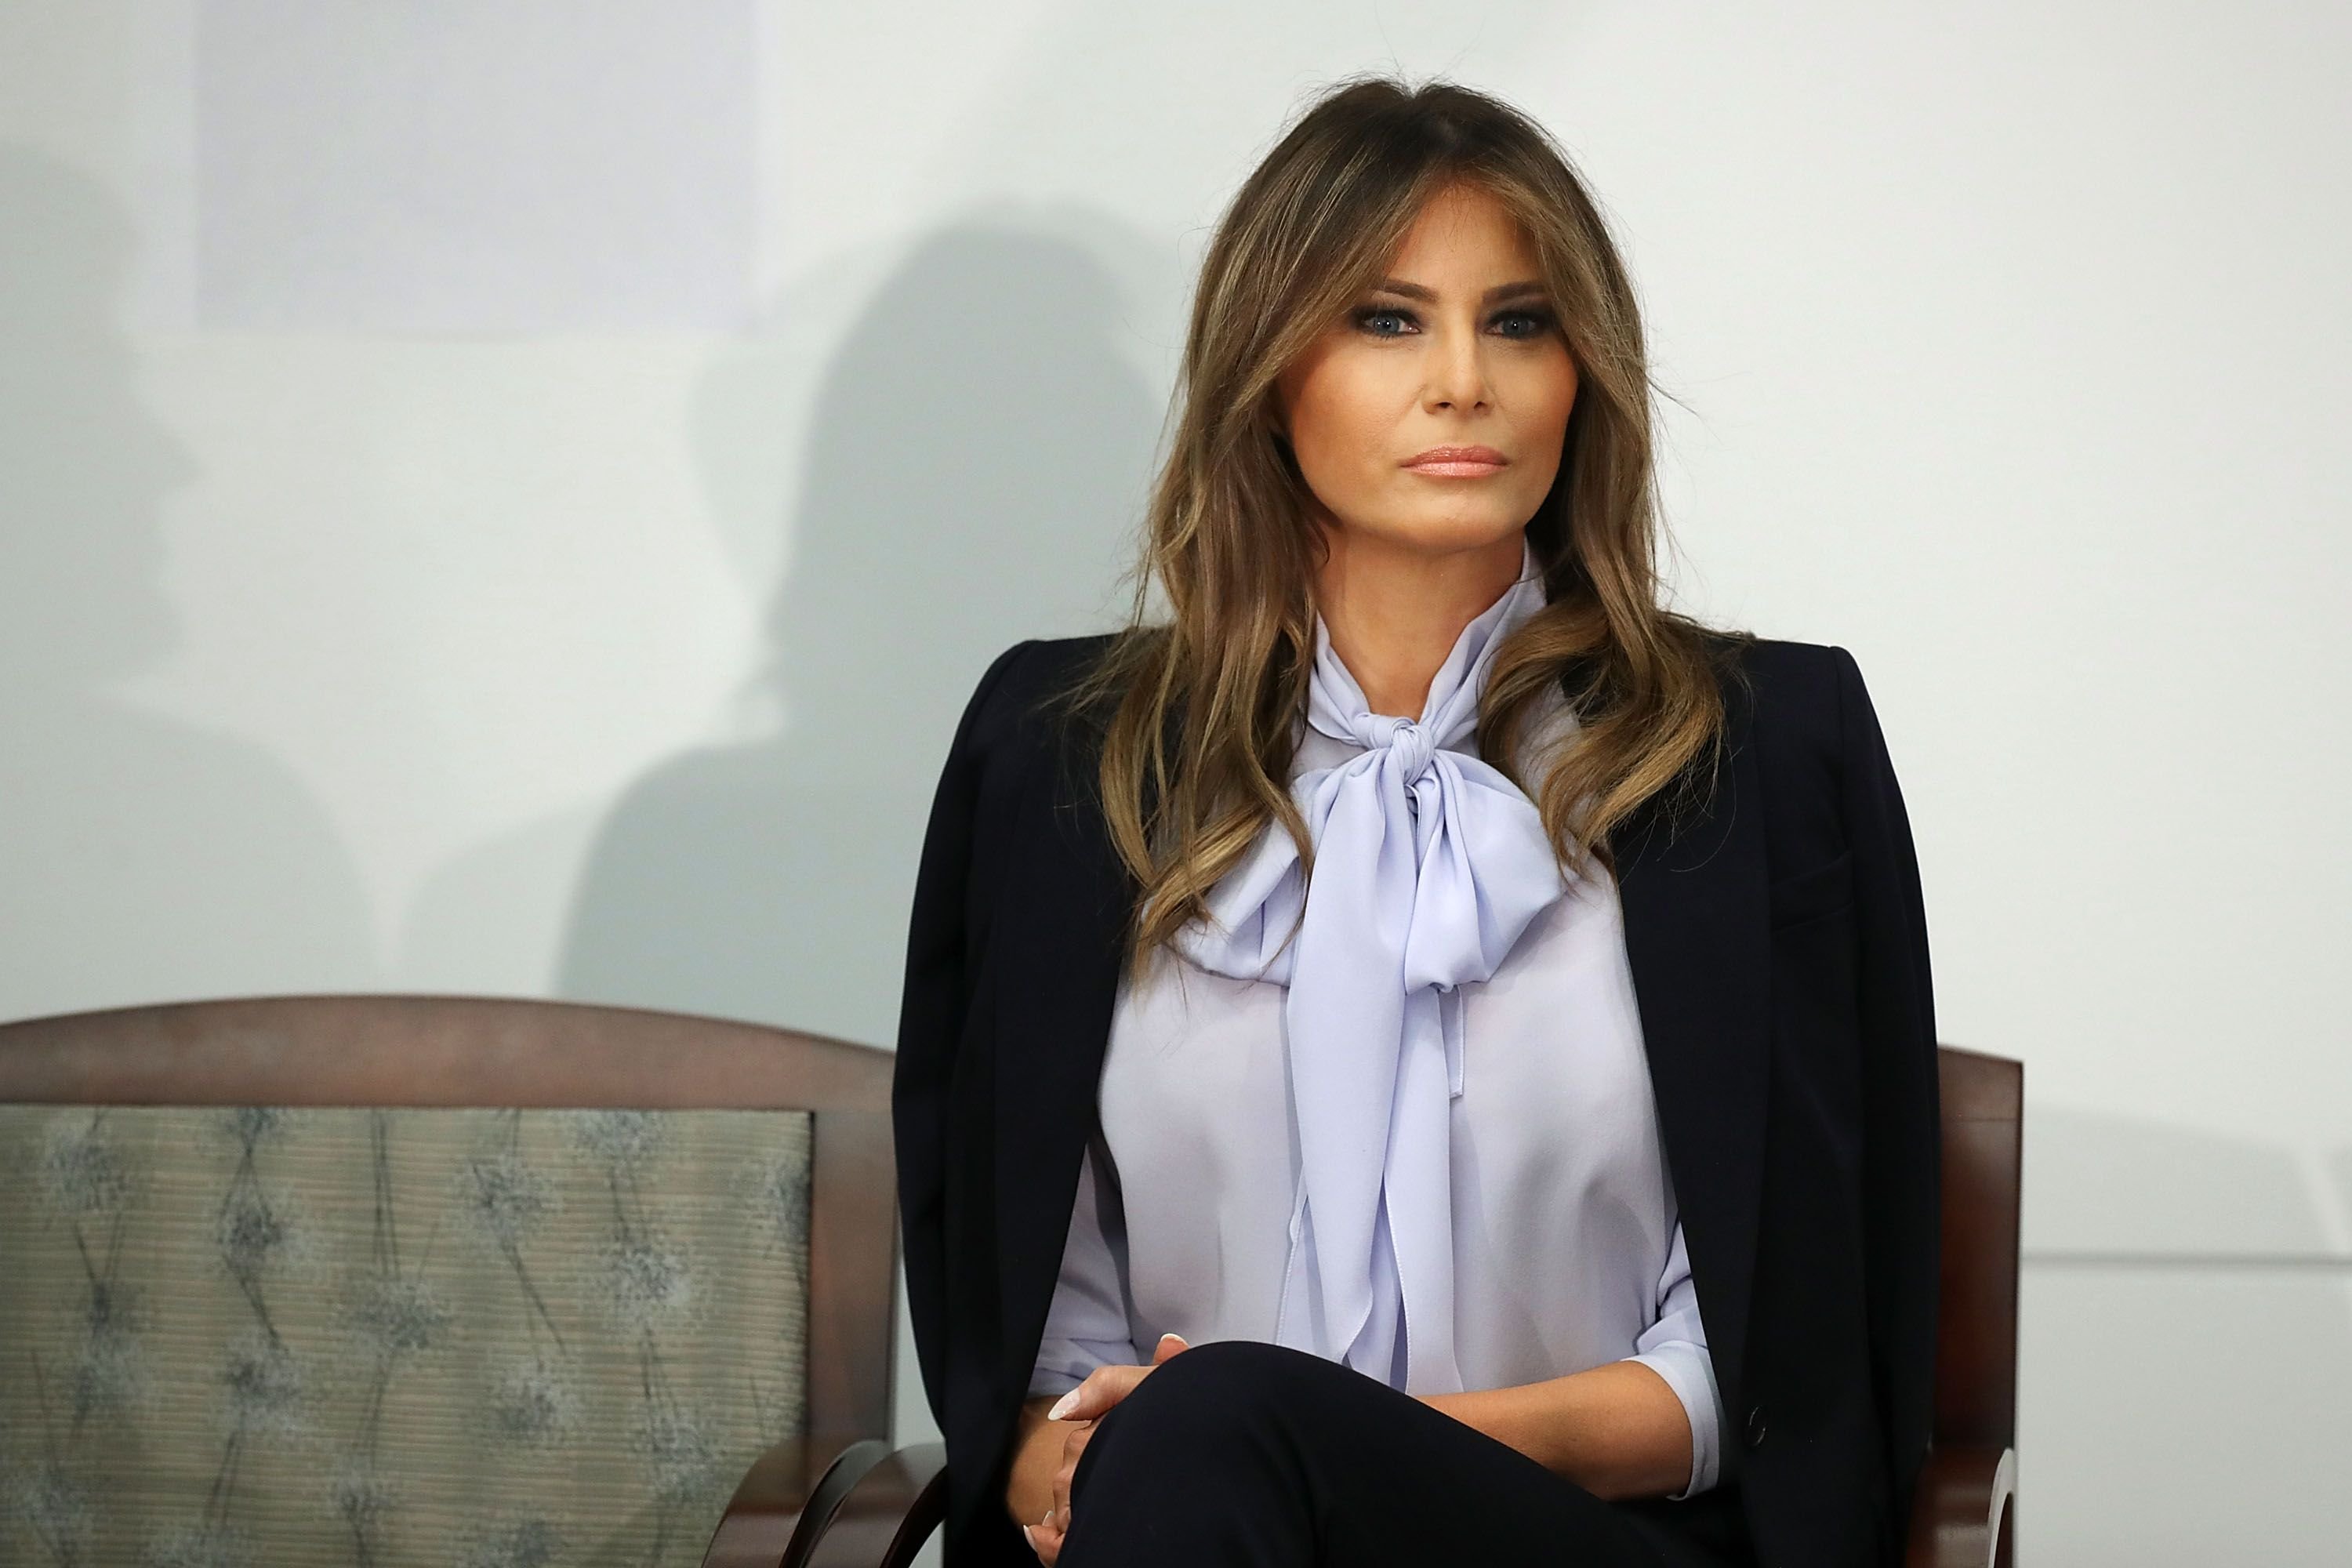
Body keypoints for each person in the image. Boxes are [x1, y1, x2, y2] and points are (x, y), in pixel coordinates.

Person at [892, 74, 1939, 1568]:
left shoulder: (1764, 750)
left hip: (1608, 1544)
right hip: (1174, 1530)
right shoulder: (1060, 756)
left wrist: (1335, 1456)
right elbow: (1026, 1320)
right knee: (1197, 1465)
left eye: (1518, 321)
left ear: (1583, 372)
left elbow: (1782, 1346)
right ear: (1269, 369)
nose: (1466, 381)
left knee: (1210, 1437)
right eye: (1388, 320)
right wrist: (1065, 1460)